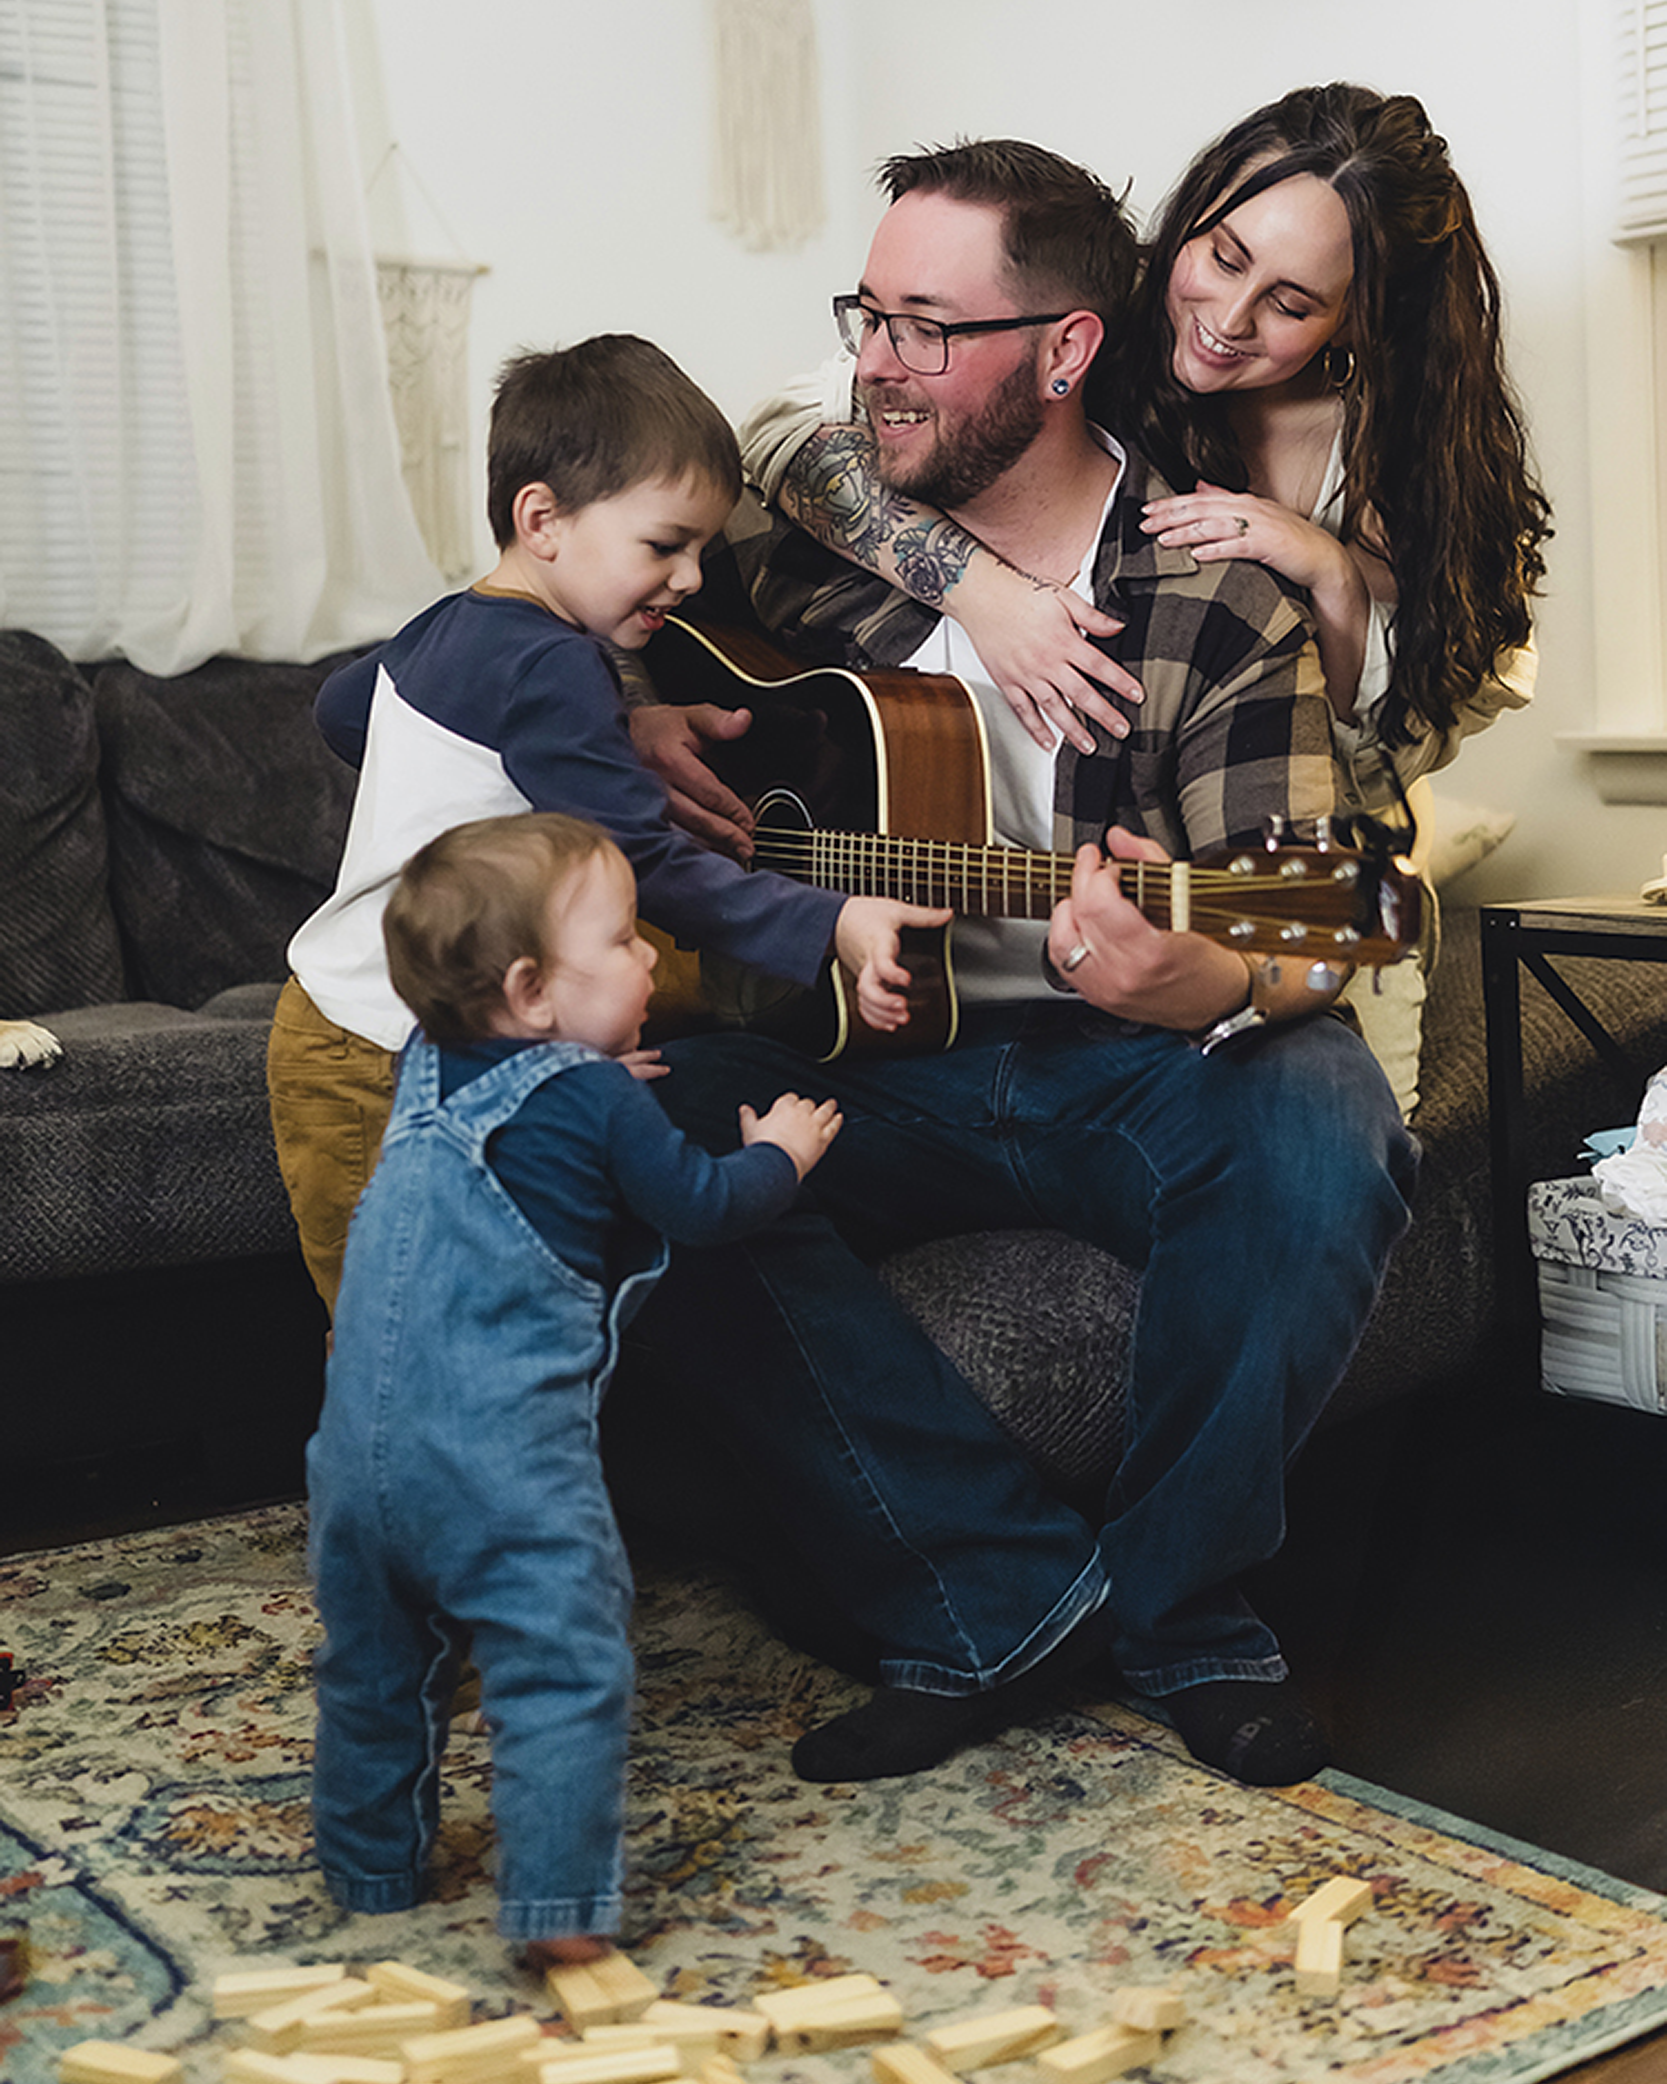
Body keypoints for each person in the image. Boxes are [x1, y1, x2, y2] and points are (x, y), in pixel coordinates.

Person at [617, 138, 1418, 1789]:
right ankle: (995, 1596)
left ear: (1065, 352)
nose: (876, 366)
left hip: (1112, 1063)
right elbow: (570, 600)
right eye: (870, 316)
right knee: (605, 1117)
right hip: (868, 1062)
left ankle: (1185, 1612)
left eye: (927, 329)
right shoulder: (812, 544)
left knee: (1323, 1113)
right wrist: (624, 713)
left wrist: (1209, 978)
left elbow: (1326, 911)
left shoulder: (1204, 595)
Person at [731, 88, 1551, 1116]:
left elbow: (1364, 780)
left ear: (1359, 321)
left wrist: (1333, 581)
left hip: (1301, 879)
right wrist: (984, 594)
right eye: (1219, 256)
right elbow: (793, 426)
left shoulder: (1395, 470)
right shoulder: (1098, 336)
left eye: (1291, 305)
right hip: (1060, 895)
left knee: (1328, 1113)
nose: (1224, 321)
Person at [267, 333, 945, 1313]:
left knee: (415, 1336)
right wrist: (829, 923)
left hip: (357, 1026)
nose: (684, 578)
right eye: (662, 545)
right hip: (381, 1048)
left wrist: (592, 734)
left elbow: (341, 710)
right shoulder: (552, 666)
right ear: (541, 517)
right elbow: (644, 859)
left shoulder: (455, 622)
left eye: (701, 551)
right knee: (415, 1340)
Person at [306, 810, 842, 1965]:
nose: (652, 956)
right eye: (624, 940)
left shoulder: (423, 1062)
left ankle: (370, 1863)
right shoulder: (599, 1103)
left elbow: (529, 1095)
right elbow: (699, 1203)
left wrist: (594, 1065)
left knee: (377, 1666)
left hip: (352, 1452)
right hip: (501, 1461)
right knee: (560, 1668)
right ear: (533, 990)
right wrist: (779, 1156)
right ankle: (557, 1916)